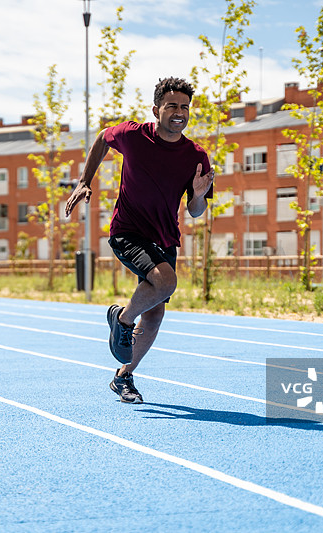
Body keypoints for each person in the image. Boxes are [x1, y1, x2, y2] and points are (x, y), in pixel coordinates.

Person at [65, 76, 214, 404]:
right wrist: (84, 181)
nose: (179, 112)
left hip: (164, 238)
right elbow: (103, 139)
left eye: (185, 107)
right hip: (128, 231)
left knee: (156, 313)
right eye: (172, 105)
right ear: (156, 109)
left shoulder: (196, 155)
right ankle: (121, 318)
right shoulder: (133, 135)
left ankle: (124, 377)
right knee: (165, 282)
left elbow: (196, 210)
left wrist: (200, 195)